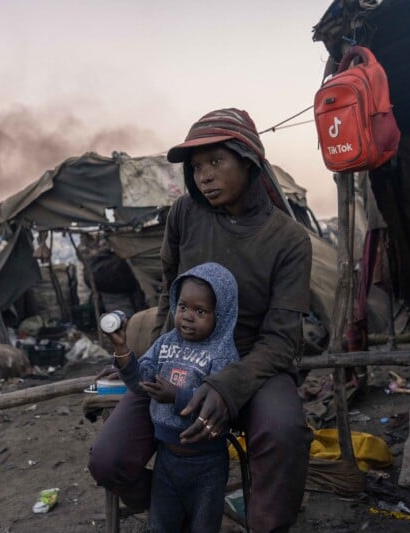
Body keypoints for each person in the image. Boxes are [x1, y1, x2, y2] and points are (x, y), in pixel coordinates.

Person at [89, 108, 314, 532]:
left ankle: (266, 526)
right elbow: (168, 295)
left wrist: (226, 386)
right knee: (109, 460)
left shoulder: (288, 240)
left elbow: (282, 341)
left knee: (284, 433)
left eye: (215, 161)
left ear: (248, 162)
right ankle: (181, 504)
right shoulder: (185, 214)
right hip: (180, 354)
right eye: (196, 167)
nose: (204, 176)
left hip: (252, 362)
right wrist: (147, 361)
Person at [105, 262, 240, 533]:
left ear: (221, 314)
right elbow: (141, 382)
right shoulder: (166, 342)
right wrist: (122, 352)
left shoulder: (223, 355)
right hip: (166, 457)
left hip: (207, 463)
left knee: (203, 526)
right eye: (183, 307)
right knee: (161, 524)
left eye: (200, 311)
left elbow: (218, 405)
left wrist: (176, 396)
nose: (188, 317)